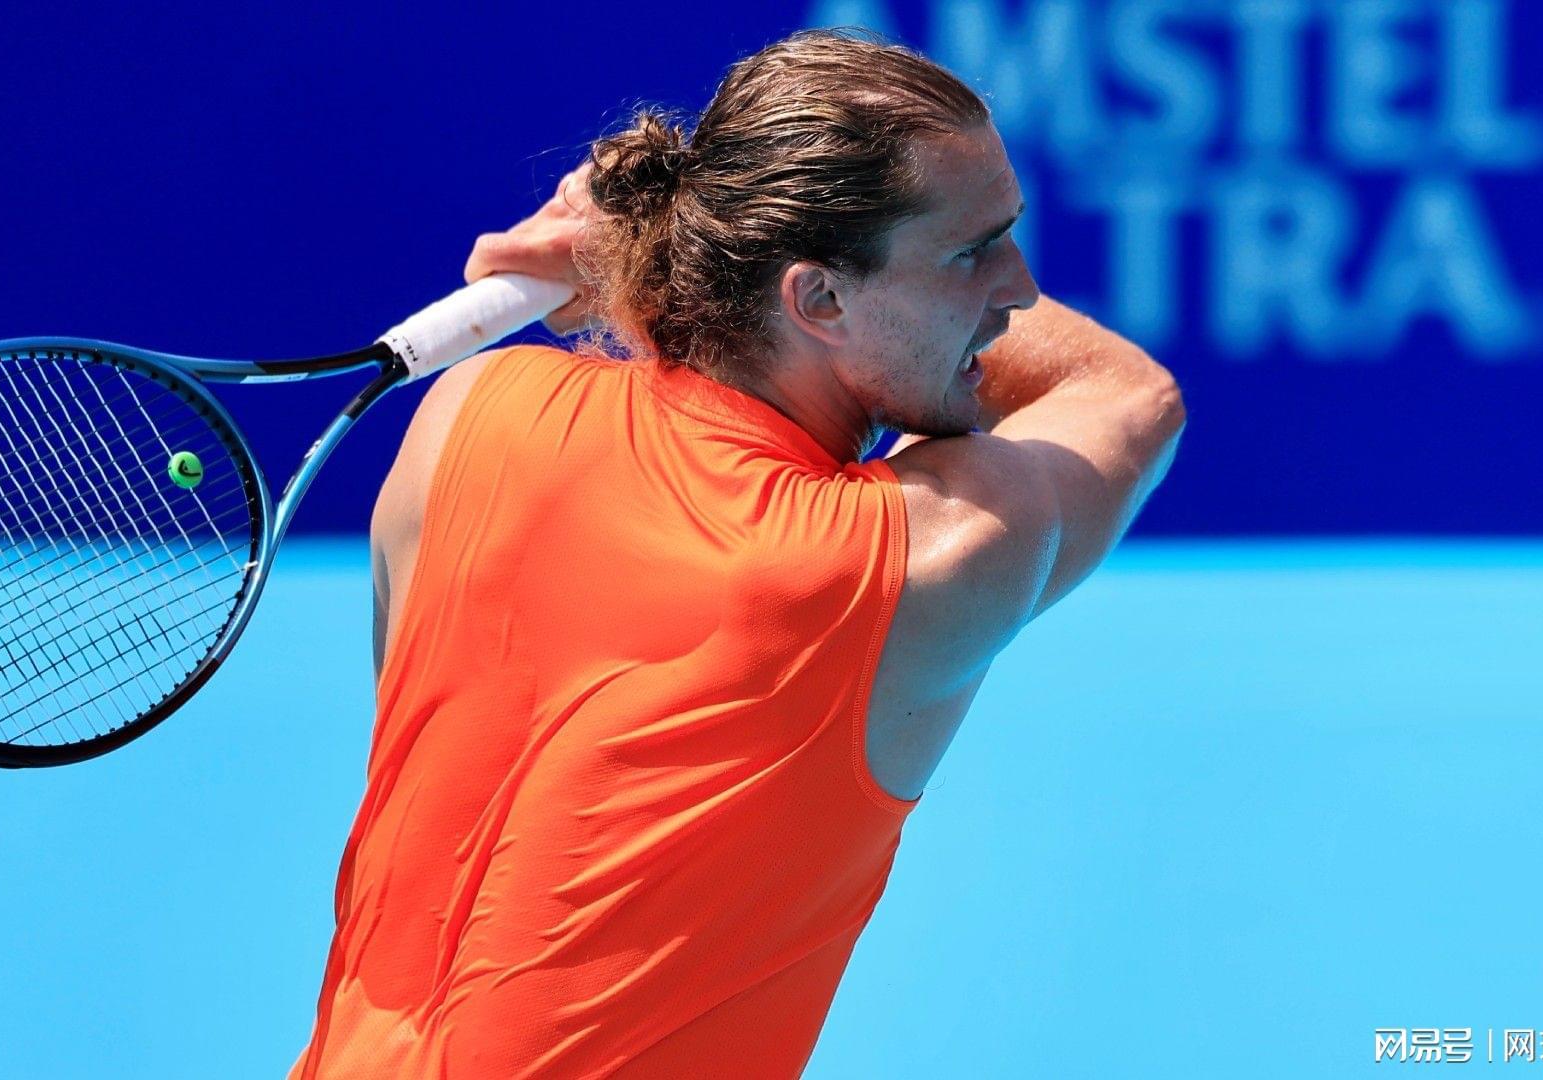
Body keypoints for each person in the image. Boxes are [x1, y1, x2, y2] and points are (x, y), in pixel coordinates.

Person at [289, 28, 1184, 1079]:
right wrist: (634, 256)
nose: (1020, 287)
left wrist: (648, 258)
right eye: (971, 252)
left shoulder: (463, 416)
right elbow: (1125, 392)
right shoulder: (925, 559)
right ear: (819, 299)